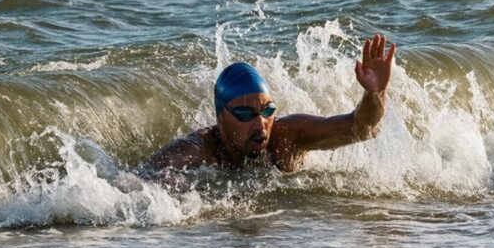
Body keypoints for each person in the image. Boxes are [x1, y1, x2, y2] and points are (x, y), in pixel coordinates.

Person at [142, 34, 396, 177]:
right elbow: (143, 183)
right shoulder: (198, 151)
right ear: (220, 118)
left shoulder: (287, 138)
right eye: (245, 113)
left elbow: (361, 128)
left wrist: (375, 94)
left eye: (267, 111)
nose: (260, 123)